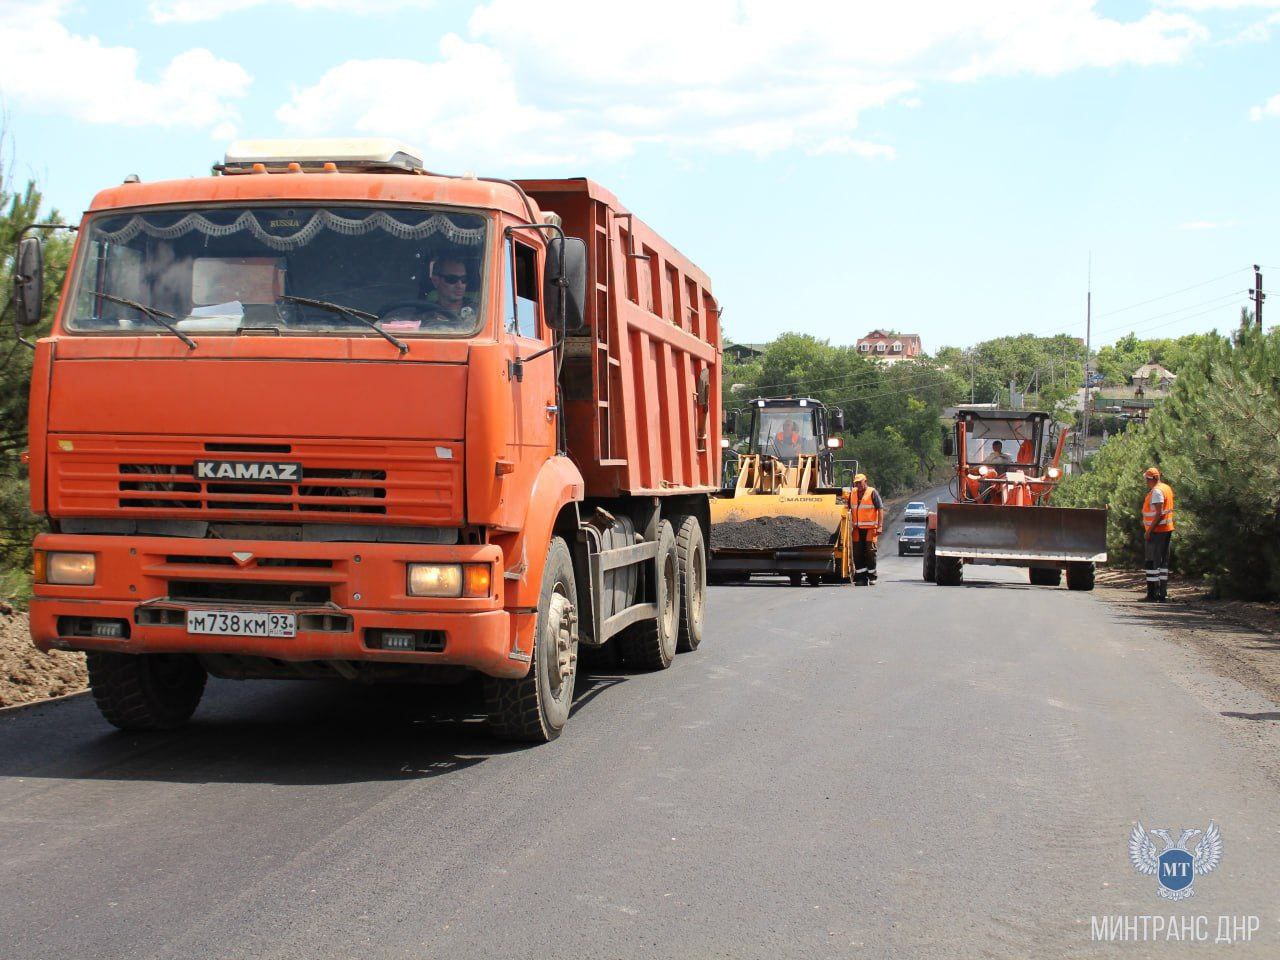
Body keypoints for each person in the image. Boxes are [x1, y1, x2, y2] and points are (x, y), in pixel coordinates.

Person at [1141, 466, 1175, 602]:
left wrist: (1149, 531)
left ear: (1152, 479)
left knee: (1152, 562)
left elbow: (1159, 513)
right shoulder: (1166, 488)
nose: (1146, 482)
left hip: (1157, 531)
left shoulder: (1157, 492)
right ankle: (1162, 594)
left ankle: (1152, 594)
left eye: (1147, 479)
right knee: (1163, 562)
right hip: (1166, 529)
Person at [848, 472, 884, 585]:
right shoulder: (852, 493)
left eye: (860, 482)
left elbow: (880, 509)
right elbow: (848, 509)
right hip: (857, 529)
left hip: (870, 528)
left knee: (870, 552)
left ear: (865, 482)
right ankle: (861, 578)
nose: (858, 485)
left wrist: (880, 526)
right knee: (857, 553)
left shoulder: (872, 492)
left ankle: (872, 576)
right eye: (856, 483)